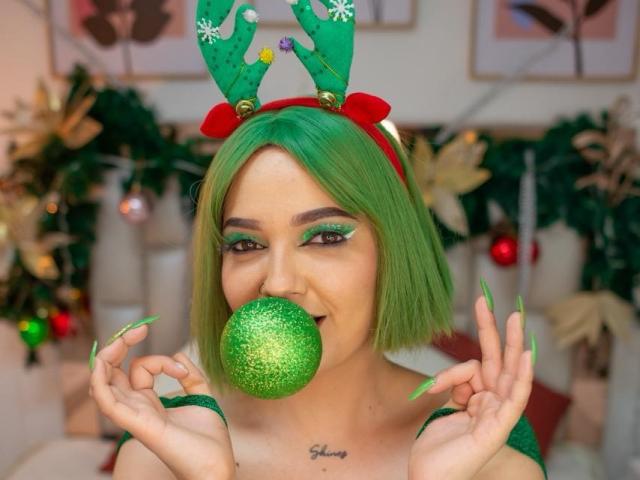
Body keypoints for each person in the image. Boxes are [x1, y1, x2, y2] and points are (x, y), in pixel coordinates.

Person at [88, 1, 546, 479]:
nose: (277, 283)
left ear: (392, 251)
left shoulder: (486, 443)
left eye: (326, 236)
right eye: (244, 245)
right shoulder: (159, 446)